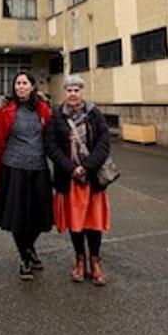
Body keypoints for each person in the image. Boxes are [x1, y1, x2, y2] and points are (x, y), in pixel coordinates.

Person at [46, 75, 112, 286]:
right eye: (69, 90)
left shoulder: (95, 115)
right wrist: (71, 168)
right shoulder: (56, 116)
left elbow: (103, 143)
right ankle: (80, 261)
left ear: (82, 92)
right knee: (76, 224)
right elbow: (51, 146)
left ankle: (95, 261)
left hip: (91, 179)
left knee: (93, 223)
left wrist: (87, 166)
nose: (73, 94)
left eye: (77, 90)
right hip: (70, 179)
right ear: (64, 93)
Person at [0, 71, 54, 280]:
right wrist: (7, 161)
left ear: (32, 86)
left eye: (24, 83)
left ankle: (29, 247)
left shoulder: (43, 110)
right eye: (17, 83)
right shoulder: (5, 111)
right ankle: (25, 257)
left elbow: (49, 137)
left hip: (38, 169)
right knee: (17, 217)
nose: (20, 87)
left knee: (38, 216)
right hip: (14, 169)